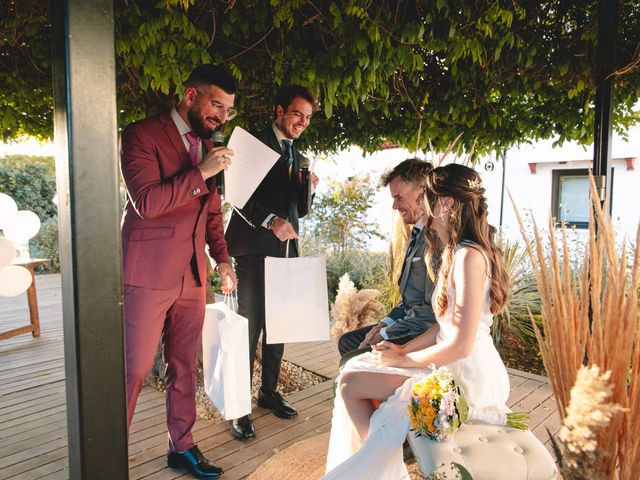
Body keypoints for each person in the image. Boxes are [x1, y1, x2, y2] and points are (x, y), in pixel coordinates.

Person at [324, 164, 511, 479]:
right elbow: (441, 325)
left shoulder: (468, 256)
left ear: (447, 204)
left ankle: (382, 466)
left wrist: (405, 357)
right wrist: (402, 352)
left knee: (351, 382)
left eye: (430, 199)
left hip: (465, 374)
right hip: (451, 362)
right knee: (352, 375)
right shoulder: (457, 251)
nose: (425, 207)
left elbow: (460, 344)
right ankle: (381, 464)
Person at [120, 64, 238, 479]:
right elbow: (147, 203)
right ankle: (109, 452)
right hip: (147, 271)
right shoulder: (140, 134)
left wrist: (221, 258)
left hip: (193, 274)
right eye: (216, 106)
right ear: (190, 96)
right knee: (132, 369)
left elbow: (212, 211)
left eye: (228, 111)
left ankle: (181, 447)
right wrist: (202, 171)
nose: (221, 118)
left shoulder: (208, 146)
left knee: (184, 364)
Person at [224, 84, 319, 441]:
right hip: (251, 249)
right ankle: (239, 408)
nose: (302, 122)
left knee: (279, 326)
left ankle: (268, 393)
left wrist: (309, 189)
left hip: (285, 252)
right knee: (249, 329)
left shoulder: (301, 158)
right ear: (279, 111)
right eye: (297, 114)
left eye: (307, 117)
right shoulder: (251, 143)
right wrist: (270, 222)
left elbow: (300, 212)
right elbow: (235, 195)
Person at [337, 159, 437, 361]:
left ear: (422, 191)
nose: (394, 205)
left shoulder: (437, 239)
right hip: (409, 322)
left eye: (399, 197)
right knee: (347, 342)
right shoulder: (417, 233)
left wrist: (386, 334)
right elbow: (409, 300)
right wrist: (384, 323)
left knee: (354, 358)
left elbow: (430, 312)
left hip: (423, 332)